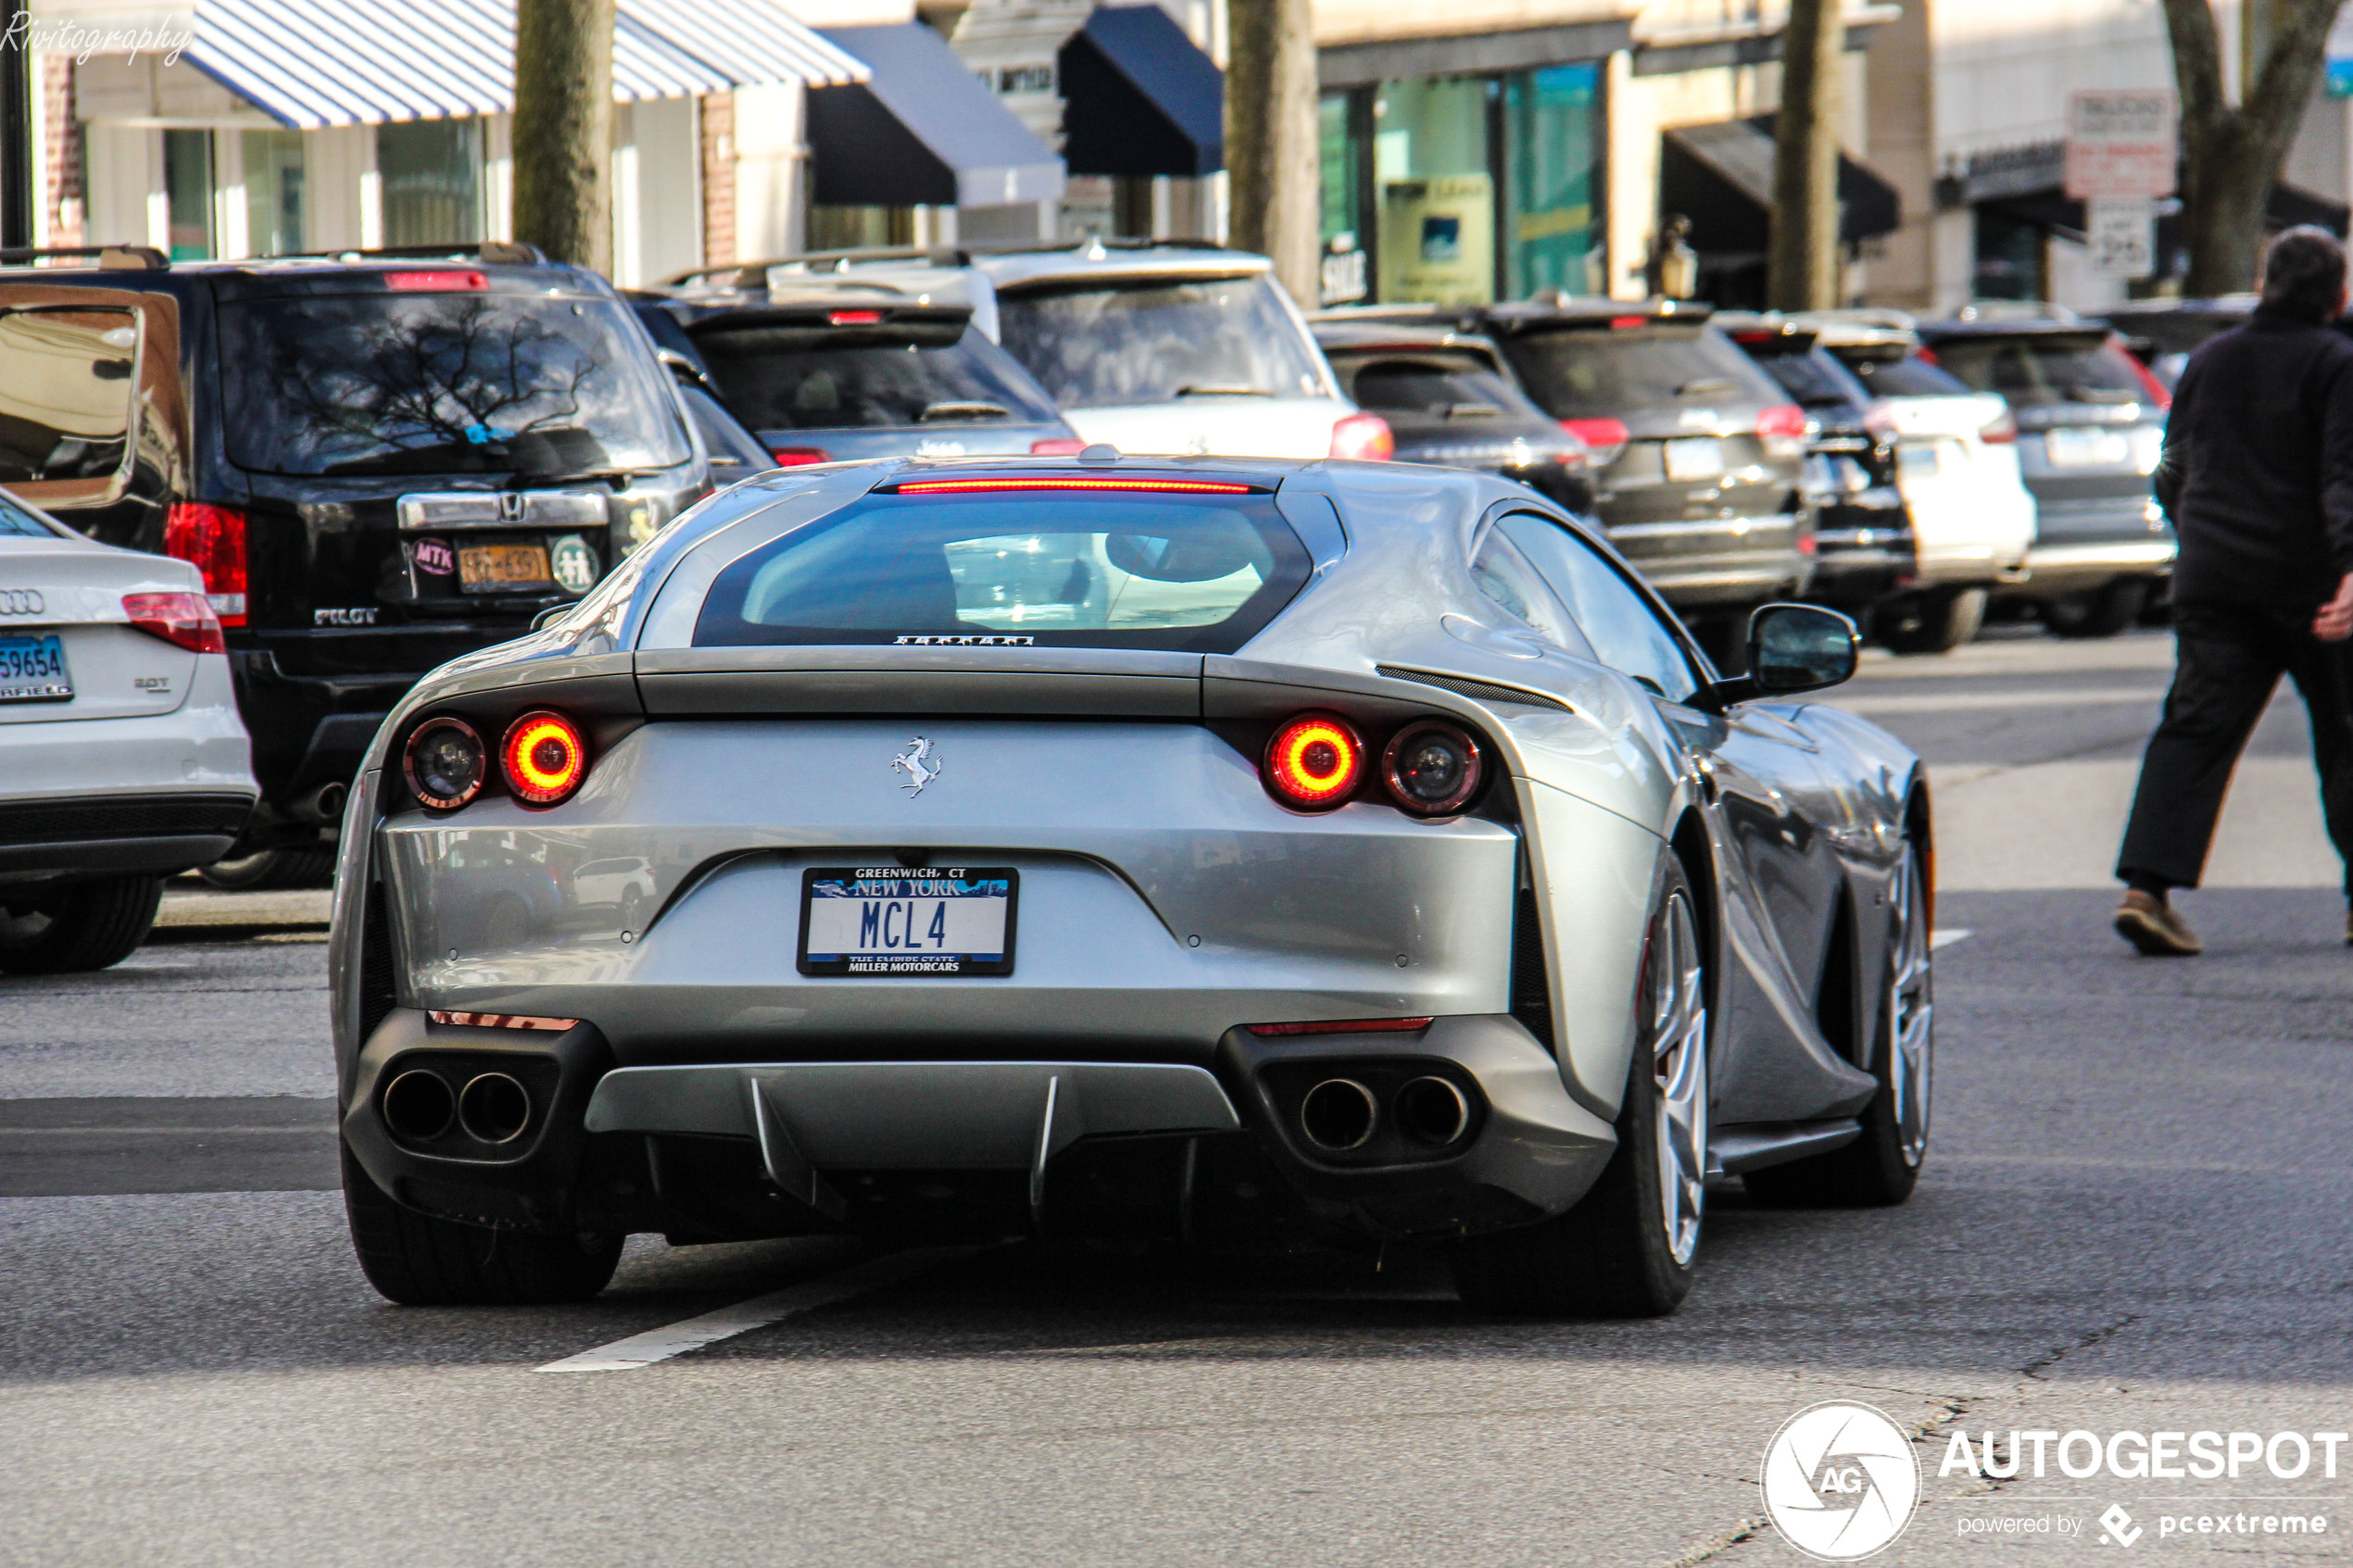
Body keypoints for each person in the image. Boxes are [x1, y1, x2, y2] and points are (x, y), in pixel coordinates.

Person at [2113, 225, 2353, 956]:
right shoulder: (2337, 363)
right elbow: (2344, 474)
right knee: (2345, 734)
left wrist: (2196, 539)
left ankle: (2146, 889)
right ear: (2338, 295)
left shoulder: (2209, 360)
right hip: (2313, 586)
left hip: (2213, 579)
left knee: (2195, 728)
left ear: (2264, 286)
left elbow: (2169, 465)